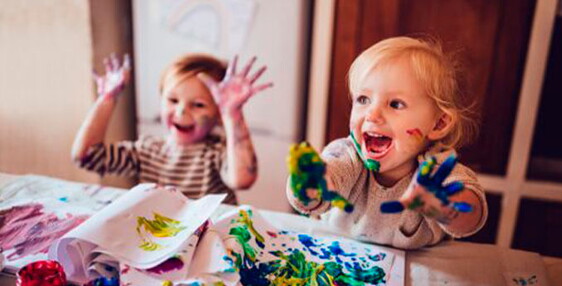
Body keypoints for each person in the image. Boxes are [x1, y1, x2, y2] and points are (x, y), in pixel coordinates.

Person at [287, 36, 487, 249]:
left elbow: (470, 220)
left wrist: (445, 206)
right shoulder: (348, 155)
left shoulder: (437, 170)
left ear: (438, 124)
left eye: (395, 104)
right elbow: (317, 193)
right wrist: (308, 185)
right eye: (363, 99)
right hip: (335, 260)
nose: (372, 115)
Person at [72, 53, 272, 204]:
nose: (181, 112)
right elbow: (86, 156)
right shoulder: (147, 150)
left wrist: (233, 114)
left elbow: (243, 179)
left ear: (218, 114)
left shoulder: (216, 153)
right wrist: (107, 99)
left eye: (199, 105)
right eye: (173, 100)